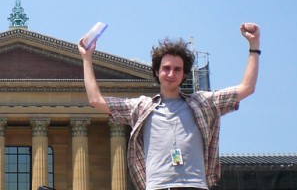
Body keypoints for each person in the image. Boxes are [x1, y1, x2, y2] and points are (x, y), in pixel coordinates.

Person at [78, 23, 260, 190]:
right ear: (157, 72)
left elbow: (247, 88)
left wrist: (254, 47)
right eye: (166, 68)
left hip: (194, 185)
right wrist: (87, 58)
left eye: (177, 69)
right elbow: (96, 100)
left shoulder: (203, 103)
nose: (171, 73)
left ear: (184, 75)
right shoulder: (141, 108)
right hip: (158, 186)